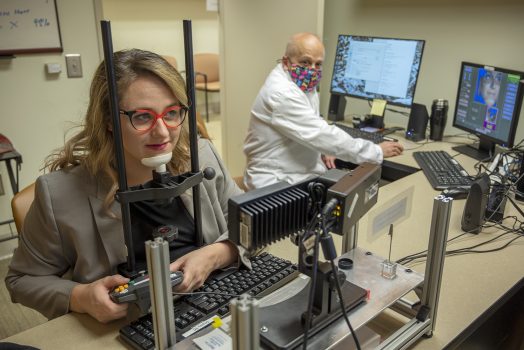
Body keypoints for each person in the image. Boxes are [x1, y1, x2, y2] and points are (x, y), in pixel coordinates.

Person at [5, 49, 246, 323]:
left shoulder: (202, 156)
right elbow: (21, 280)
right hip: (127, 326)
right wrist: (80, 296)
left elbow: (250, 225)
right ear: (108, 120)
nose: (163, 132)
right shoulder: (59, 194)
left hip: (212, 306)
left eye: (172, 113)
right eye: (142, 117)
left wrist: (216, 254)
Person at [243, 32, 404, 190]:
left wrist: (324, 147)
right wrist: (376, 151)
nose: (312, 69)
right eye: (305, 62)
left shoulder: (302, 83)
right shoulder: (282, 93)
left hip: (298, 173)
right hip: (276, 182)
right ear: (286, 62)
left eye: (318, 64)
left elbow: (313, 124)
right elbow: (321, 134)